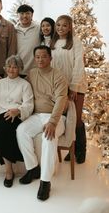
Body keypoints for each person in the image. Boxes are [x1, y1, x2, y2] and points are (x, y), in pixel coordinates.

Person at [17, 45, 68, 201]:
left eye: (44, 56)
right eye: (37, 57)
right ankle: (33, 168)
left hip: (55, 116)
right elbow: (20, 85)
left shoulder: (59, 76)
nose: (40, 59)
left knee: (48, 137)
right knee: (21, 130)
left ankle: (45, 181)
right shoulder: (32, 74)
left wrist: (53, 122)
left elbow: (61, 100)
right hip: (37, 115)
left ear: (50, 58)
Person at [0, 55, 34, 188]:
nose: (11, 69)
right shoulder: (0, 83)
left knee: (3, 127)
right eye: (9, 66)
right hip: (1, 115)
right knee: (5, 128)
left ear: (20, 69)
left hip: (16, 116)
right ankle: (8, 170)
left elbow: (29, 104)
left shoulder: (25, 85)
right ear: (5, 68)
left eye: (15, 67)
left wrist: (18, 110)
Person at [50, 14, 87, 164]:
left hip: (76, 86)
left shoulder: (76, 42)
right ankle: (70, 149)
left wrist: (73, 87)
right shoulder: (53, 43)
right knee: (66, 120)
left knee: (77, 118)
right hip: (60, 87)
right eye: (58, 25)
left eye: (64, 25)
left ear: (70, 27)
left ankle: (81, 150)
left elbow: (79, 65)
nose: (61, 28)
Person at [15, 4, 40, 77]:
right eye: (22, 13)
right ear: (18, 15)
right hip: (17, 70)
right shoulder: (13, 30)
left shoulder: (38, 28)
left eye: (27, 13)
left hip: (34, 71)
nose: (25, 16)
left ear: (32, 15)